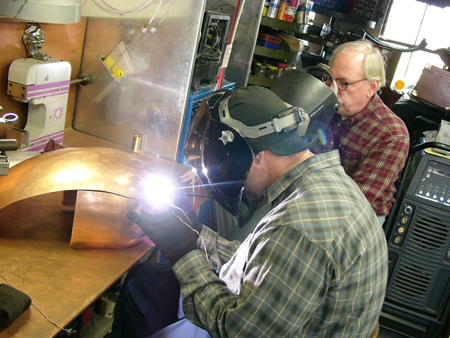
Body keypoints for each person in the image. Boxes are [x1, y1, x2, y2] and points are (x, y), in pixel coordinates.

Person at [110, 79, 388, 337]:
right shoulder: (319, 183)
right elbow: (262, 263)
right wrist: (194, 234)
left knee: (142, 292)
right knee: (142, 280)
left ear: (255, 156)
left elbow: (236, 331)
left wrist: (181, 252)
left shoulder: (299, 228)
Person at [273, 40, 410, 225]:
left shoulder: (391, 135)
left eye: (344, 83)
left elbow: (355, 202)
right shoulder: (328, 104)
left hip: (357, 217)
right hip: (309, 192)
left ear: (372, 87)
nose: (332, 89)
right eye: (329, 78)